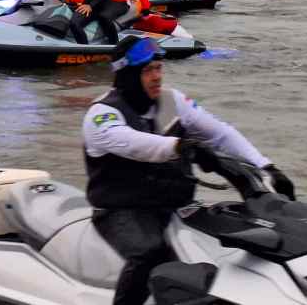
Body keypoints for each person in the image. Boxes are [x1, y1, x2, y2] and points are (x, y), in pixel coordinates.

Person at [84, 36, 294, 305]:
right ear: (126, 74)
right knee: (149, 254)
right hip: (121, 209)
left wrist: (266, 166)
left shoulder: (173, 101)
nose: (157, 76)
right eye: (148, 70)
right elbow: (134, 144)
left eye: (159, 68)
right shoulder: (102, 115)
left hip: (174, 204)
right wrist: (184, 147)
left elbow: (221, 134)